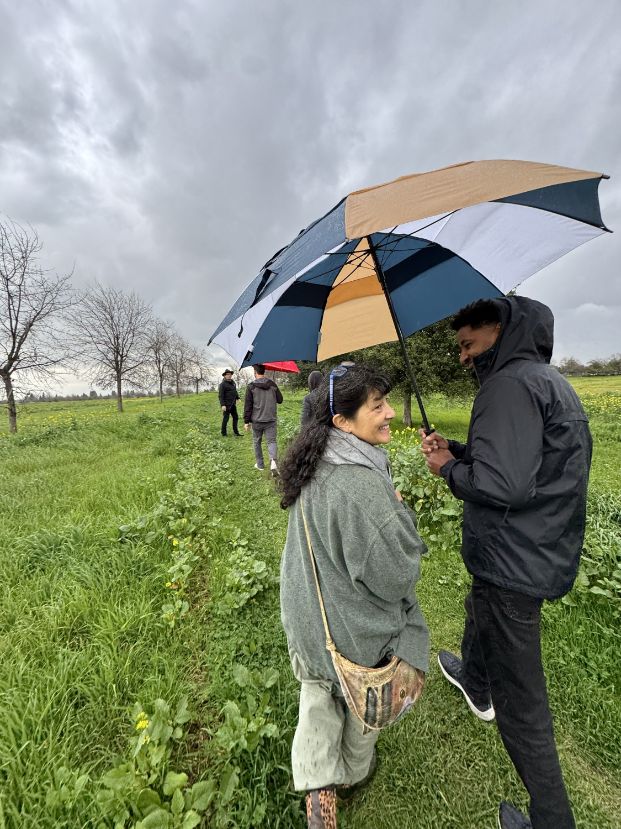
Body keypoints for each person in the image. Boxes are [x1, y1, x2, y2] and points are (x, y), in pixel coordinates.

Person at [420, 297, 591, 829]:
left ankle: (551, 820)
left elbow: (503, 483)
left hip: (509, 563)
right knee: (479, 609)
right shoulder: (544, 380)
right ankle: (475, 679)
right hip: (530, 550)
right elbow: (520, 463)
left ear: (499, 329)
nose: (464, 359)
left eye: (469, 346)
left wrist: (448, 470)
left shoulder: (507, 386)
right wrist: (457, 448)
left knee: (524, 708)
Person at [280, 364, 429, 828]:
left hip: (307, 611)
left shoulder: (317, 457)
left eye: (386, 401)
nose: (388, 413)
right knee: (362, 706)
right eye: (376, 405)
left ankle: (316, 785)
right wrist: (399, 515)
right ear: (342, 421)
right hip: (349, 629)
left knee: (317, 694)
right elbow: (396, 576)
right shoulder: (361, 486)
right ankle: (353, 774)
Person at [243, 363, 283, 474]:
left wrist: (246, 421)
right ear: (264, 372)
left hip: (256, 421)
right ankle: (273, 463)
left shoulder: (251, 386)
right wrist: (273, 388)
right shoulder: (272, 384)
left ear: (255, 372)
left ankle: (260, 465)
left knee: (257, 442)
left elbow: (248, 405)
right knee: (271, 441)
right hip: (271, 419)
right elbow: (280, 400)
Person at [218, 368, 241, 436]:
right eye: (227, 374)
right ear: (225, 376)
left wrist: (238, 398)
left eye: (230, 374)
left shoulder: (233, 383)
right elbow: (221, 396)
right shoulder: (222, 384)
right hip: (226, 405)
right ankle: (223, 433)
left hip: (233, 404)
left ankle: (236, 432)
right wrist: (223, 405)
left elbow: (235, 391)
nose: (229, 375)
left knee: (235, 417)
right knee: (226, 419)